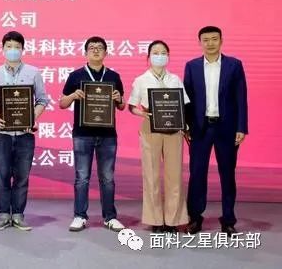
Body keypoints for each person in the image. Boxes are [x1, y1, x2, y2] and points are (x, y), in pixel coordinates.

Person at [0, 31, 48, 231]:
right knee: (1, 176)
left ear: (22, 49)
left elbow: (42, 100)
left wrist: (32, 117)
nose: (13, 50)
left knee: (22, 177)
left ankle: (18, 215)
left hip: (25, 134)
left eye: (17, 47)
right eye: (9, 46)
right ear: (2, 49)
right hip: (1, 134)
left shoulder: (33, 72)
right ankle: (3, 215)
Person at [184, 26, 248, 235]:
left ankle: (228, 219)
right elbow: (187, 99)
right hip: (200, 128)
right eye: (206, 39)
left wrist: (241, 127)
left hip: (226, 128)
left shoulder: (234, 65)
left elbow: (241, 98)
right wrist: (186, 125)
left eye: (214, 39)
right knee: (197, 174)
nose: (210, 43)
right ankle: (195, 217)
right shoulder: (191, 66)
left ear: (221, 41)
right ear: (200, 42)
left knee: (227, 174)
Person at [59, 36, 126, 232]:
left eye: (99, 48)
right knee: (82, 177)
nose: (96, 50)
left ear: (106, 53)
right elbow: (62, 103)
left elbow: (122, 105)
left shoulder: (113, 76)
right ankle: (80, 216)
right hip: (82, 134)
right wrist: (73, 95)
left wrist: (119, 98)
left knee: (108, 178)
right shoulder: (75, 76)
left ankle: (110, 217)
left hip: (108, 135)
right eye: (92, 48)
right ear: (85, 52)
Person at [127, 40, 189, 233]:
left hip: (174, 129)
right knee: (151, 175)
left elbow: (184, 104)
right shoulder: (141, 80)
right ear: (148, 57)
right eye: (155, 52)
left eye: (163, 53)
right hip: (150, 128)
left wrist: (186, 127)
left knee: (174, 175)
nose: (159, 56)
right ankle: (155, 219)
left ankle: (173, 220)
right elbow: (131, 106)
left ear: (168, 57)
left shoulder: (175, 79)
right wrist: (143, 114)